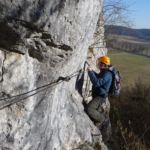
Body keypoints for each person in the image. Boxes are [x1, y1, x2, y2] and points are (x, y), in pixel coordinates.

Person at [86, 55, 112, 142]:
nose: (98, 64)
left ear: (103, 64)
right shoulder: (104, 72)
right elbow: (98, 78)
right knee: (93, 109)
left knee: (89, 109)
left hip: (100, 97)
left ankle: (101, 119)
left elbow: (97, 83)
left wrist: (90, 72)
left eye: (100, 63)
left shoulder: (107, 74)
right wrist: (92, 72)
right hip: (98, 95)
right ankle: (97, 119)